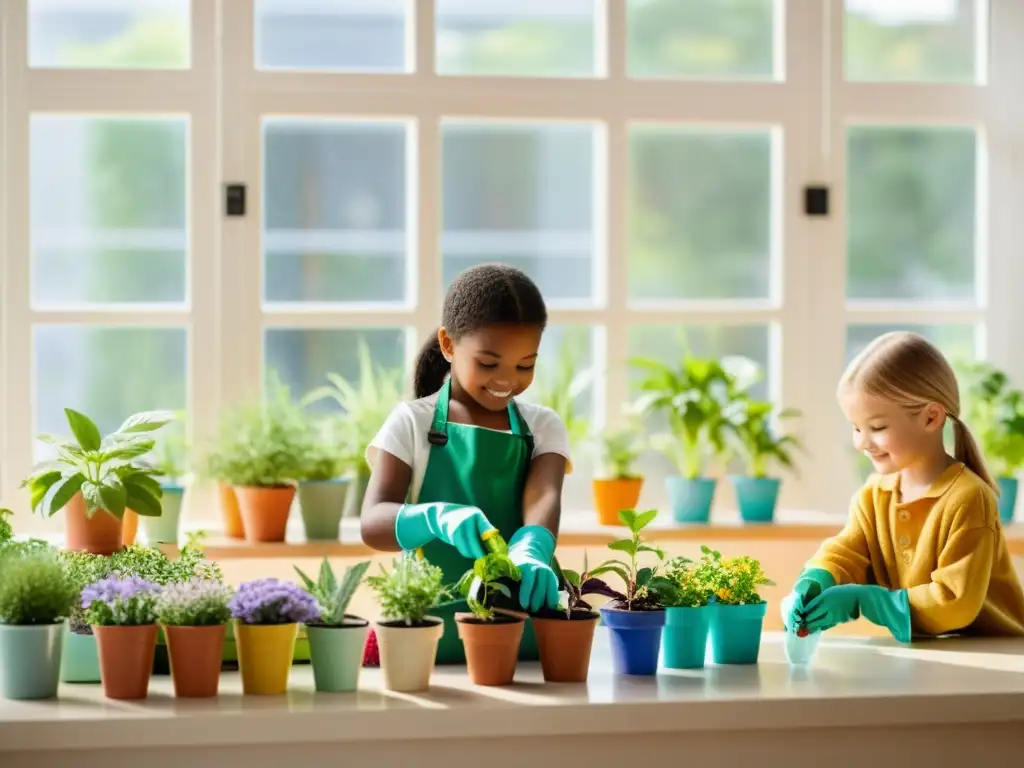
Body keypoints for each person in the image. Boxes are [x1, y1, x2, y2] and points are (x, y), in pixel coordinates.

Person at [360, 263, 571, 663]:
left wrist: (532, 549)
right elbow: (372, 524)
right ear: (449, 344)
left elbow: (544, 497)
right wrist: (433, 518)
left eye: (525, 365)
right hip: (425, 639)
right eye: (489, 364)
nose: (507, 379)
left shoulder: (542, 426)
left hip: (525, 641)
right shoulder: (412, 422)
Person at [782, 331, 1024, 642]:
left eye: (877, 427)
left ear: (931, 417)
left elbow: (954, 602)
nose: (862, 442)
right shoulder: (874, 494)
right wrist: (818, 577)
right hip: (938, 658)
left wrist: (864, 601)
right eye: (856, 428)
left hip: (1002, 660)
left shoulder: (969, 498)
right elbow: (849, 550)